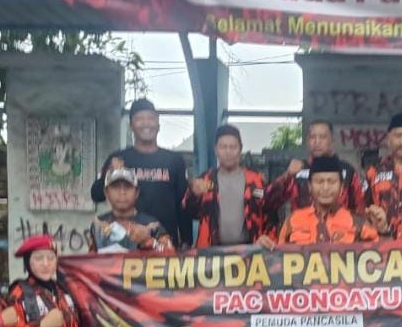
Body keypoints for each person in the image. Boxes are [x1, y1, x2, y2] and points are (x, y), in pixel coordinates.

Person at [89, 98, 191, 248]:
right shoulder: (118, 158)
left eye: (150, 118)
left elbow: (184, 204)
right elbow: (96, 195)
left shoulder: (174, 160)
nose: (146, 123)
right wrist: (109, 172)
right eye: (139, 119)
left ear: (158, 124)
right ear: (131, 125)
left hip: (163, 244)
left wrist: (187, 241)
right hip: (123, 244)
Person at [184, 125, 276, 249]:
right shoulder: (205, 179)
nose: (228, 152)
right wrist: (193, 194)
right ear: (216, 150)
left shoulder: (256, 180)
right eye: (223, 147)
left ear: (240, 149)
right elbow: (188, 212)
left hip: (250, 252)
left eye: (233, 147)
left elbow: (270, 212)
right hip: (211, 252)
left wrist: (268, 239)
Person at [263, 119, 365, 216]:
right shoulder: (297, 171)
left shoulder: (347, 170)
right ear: (307, 141)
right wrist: (287, 175)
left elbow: (360, 209)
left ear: (332, 141)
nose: (317, 142)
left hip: (339, 227)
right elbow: (267, 202)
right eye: (312, 137)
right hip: (302, 226)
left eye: (322, 137)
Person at [277, 155, 385, 244]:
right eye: (319, 182)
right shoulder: (292, 220)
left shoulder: (358, 222)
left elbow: (383, 256)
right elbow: (278, 257)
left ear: (341, 188)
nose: (325, 188)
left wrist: (384, 230)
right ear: (309, 187)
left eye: (332, 182)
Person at [89, 161, 174, 253]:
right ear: (106, 192)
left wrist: (147, 241)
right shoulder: (98, 223)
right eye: (116, 187)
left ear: (137, 192)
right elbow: (91, 258)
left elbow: (171, 254)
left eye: (127, 187)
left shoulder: (152, 224)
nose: (122, 192)